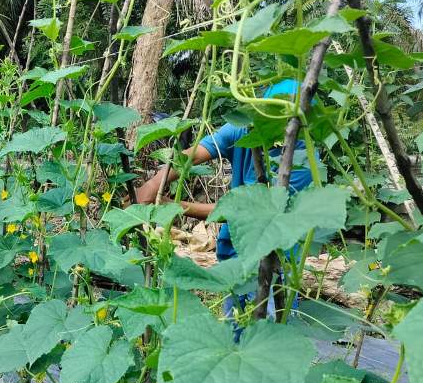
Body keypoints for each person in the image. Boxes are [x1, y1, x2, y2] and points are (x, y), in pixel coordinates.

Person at [136, 78, 320, 317]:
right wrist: (152, 186)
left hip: (276, 262)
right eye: (270, 111)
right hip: (234, 255)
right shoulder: (244, 127)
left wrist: (172, 205)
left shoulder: (303, 160)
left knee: (269, 339)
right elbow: (194, 154)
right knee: (235, 333)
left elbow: (245, 213)